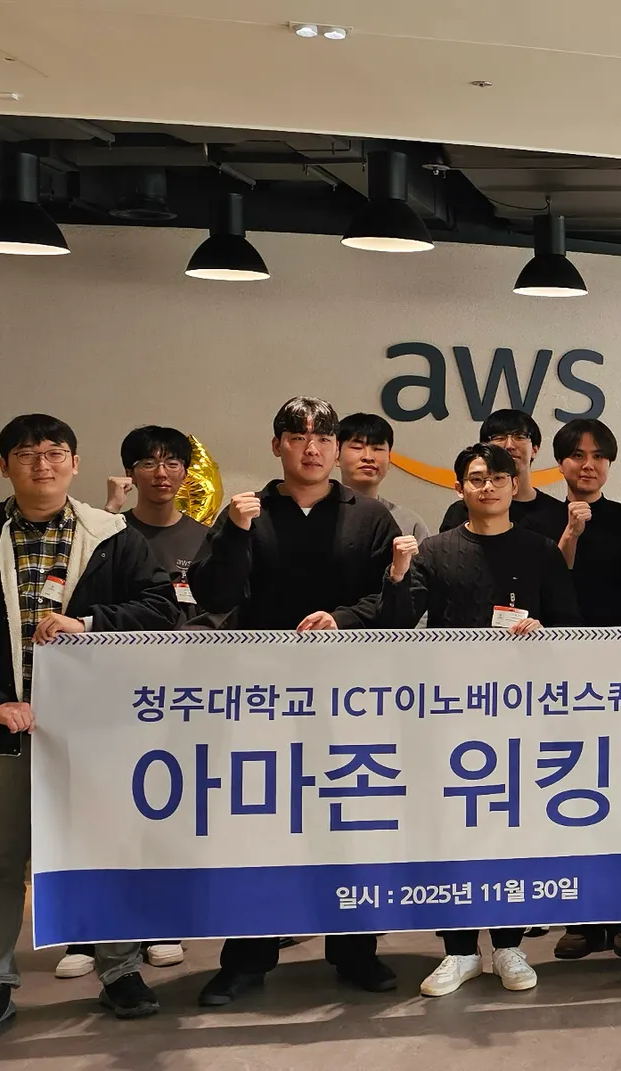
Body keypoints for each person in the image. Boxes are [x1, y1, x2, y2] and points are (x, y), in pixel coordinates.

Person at [0, 414, 177, 1040]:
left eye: (56, 452)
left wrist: (88, 623)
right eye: (26, 454)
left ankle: (120, 970)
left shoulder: (114, 538)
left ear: (75, 463)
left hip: (97, 732)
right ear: (3, 466)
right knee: (2, 862)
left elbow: (160, 608)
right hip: (6, 732)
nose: (43, 464)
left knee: (106, 852)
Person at [187, 397, 404, 1006]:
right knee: (260, 828)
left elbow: (391, 601)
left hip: (349, 698)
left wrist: (341, 618)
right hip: (265, 698)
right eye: (298, 436)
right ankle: (246, 959)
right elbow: (213, 594)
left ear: (336, 449)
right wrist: (235, 532)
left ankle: (355, 951)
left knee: (348, 823)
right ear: (277, 444)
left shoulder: (371, 516)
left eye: (324, 437)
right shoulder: (247, 511)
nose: (312, 448)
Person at [378, 443, 579, 995]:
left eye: (497, 478)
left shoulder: (540, 552)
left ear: (515, 485)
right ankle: (460, 950)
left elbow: (573, 626)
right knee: (452, 832)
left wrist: (545, 633)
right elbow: (396, 627)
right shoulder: (435, 550)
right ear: (459, 487)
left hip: (520, 714)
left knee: (510, 830)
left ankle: (510, 946)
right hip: (450, 713)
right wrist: (397, 575)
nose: (487, 486)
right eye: (475, 478)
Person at [58, 426, 213, 980]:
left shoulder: (205, 539)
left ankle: (160, 923)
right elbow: (78, 604)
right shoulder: (106, 534)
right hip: (109, 698)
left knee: (164, 810)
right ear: (130, 472)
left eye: (172, 462)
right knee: (96, 814)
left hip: (182, 697)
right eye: (148, 462)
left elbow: (220, 612)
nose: (161, 473)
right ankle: (88, 931)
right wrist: (107, 511)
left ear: (186, 472)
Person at [548, 417, 621, 962]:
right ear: (560, 464)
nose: (587, 464)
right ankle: (582, 919)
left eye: (598, 456)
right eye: (576, 455)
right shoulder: (538, 521)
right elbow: (546, 590)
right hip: (561, 684)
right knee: (570, 798)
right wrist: (569, 535)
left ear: (610, 464)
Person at [439, 408, 569, 539]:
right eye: (499, 438)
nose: (509, 446)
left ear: (534, 450)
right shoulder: (465, 510)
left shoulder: (558, 513)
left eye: (519, 437)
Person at [335, 411, 434, 540]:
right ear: (336, 455)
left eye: (378, 448)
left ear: (389, 459)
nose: (368, 457)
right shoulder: (317, 513)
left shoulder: (408, 523)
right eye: (357, 447)